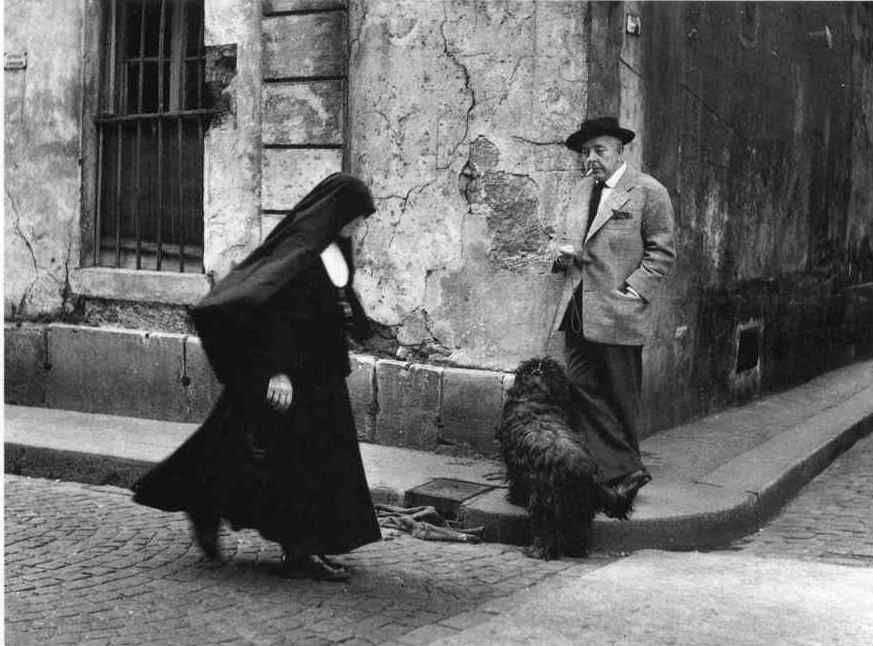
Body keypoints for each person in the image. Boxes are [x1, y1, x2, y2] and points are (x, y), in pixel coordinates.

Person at [132, 173, 381, 581]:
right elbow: (264, 311)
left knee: (258, 453)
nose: (359, 225)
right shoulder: (299, 251)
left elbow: (335, 301)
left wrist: (357, 323)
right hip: (291, 377)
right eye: (356, 216)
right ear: (337, 213)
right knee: (293, 461)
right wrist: (274, 371)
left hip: (322, 372)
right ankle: (298, 551)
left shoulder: (337, 249)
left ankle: (215, 506)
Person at [550, 117, 675, 514]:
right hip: (578, 307)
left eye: (599, 150)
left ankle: (620, 478)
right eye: (586, 152)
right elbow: (575, 242)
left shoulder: (648, 192)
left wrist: (634, 290)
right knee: (578, 384)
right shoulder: (580, 190)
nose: (591, 159)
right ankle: (624, 469)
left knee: (620, 395)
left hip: (619, 311)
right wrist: (562, 256)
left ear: (621, 151)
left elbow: (662, 252)